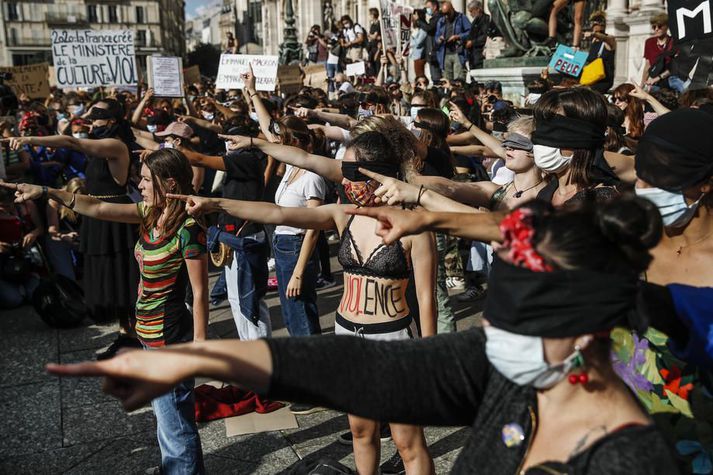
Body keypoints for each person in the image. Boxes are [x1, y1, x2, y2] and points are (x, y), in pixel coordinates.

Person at [48, 196, 682, 475]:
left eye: (513, 325)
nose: (489, 333)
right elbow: (353, 366)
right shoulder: (508, 371)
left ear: (584, 335)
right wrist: (189, 358)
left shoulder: (628, 459)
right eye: (493, 315)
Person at [168, 131, 436, 475]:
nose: (346, 181)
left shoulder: (416, 228)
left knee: (407, 441)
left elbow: (426, 300)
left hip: (394, 341)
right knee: (361, 430)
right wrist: (215, 203)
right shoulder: (345, 214)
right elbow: (278, 213)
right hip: (347, 338)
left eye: (353, 173)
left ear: (379, 173)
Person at [4, 148, 208, 474]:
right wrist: (45, 191)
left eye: (144, 179)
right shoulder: (148, 213)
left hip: (170, 339)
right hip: (148, 332)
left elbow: (199, 293)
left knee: (174, 425)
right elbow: (96, 206)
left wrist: (200, 344)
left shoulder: (188, 229)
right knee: (167, 419)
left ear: (168, 182)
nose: (138, 185)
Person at [6, 105, 141, 360]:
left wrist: (27, 139)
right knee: (109, 279)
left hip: (114, 216)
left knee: (123, 277)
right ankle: (125, 334)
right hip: (98, 215)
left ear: (111, 120)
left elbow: (71, 142)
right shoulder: (102, 142)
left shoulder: (116, 144)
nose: (91, 124)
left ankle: (135, 336)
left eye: (96, 120)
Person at [621, 108, 713, 473]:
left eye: (659, 179)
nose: (642, 189)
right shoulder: (628, 241)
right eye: (641, 176)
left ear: (704, 183)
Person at [641, 12, 686, 94]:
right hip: (656, 82)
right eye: (654, 27)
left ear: (666, 26)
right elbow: (647, 65)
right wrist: (642, 85)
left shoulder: (674, 42)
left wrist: (657, 78)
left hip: (672, 77)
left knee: (688, 92)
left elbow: (674, 67)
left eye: (659, 26)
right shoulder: (649, 42)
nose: (656, 29)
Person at [434, 1, 472, 81]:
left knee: (459, 79)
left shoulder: (461, 18)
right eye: (444, 14)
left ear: (452, 9)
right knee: (447, 80)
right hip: (445, 54)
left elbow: (470, 32)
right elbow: (436, 36)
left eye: (447, 13)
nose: (446, 16)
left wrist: (458, 36)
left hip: (458, 52)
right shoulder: (441, 21)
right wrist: (439, 39)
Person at [582, 11, 616, 94]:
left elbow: (605, 38)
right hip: (592, 79)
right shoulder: (594, 41)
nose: (596, 23)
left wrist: (594, 34)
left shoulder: (609, 39)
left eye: (599, 21)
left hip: (602, 82)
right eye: (594, 21)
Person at [465, 0, 490, 69]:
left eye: (471, 11)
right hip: (473, 56)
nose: (470, 14)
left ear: (478, 9)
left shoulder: (485, 20)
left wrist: (472, 42)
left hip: (480, 54)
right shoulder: (475, 21)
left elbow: (485, 36)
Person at [410, 9, 429, 79]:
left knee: (420, 75)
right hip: (416, 55)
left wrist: (412, 38)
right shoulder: (417, 28)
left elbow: (418, 42)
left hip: (420, 55)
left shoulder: (423, 29)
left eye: (415, 15)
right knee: (417, 74)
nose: (413, 16)